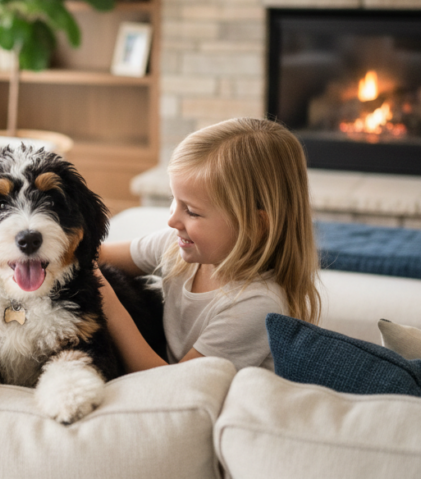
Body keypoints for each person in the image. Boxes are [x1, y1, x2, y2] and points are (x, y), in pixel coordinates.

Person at [98, 117, 321, 372]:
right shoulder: (176, 246)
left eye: (191, 211)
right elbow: (99, 254)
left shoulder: (257, 304)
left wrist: (110, 307)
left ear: (254, 225)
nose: (172, 220)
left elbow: (176, 383)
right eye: (174, 200)